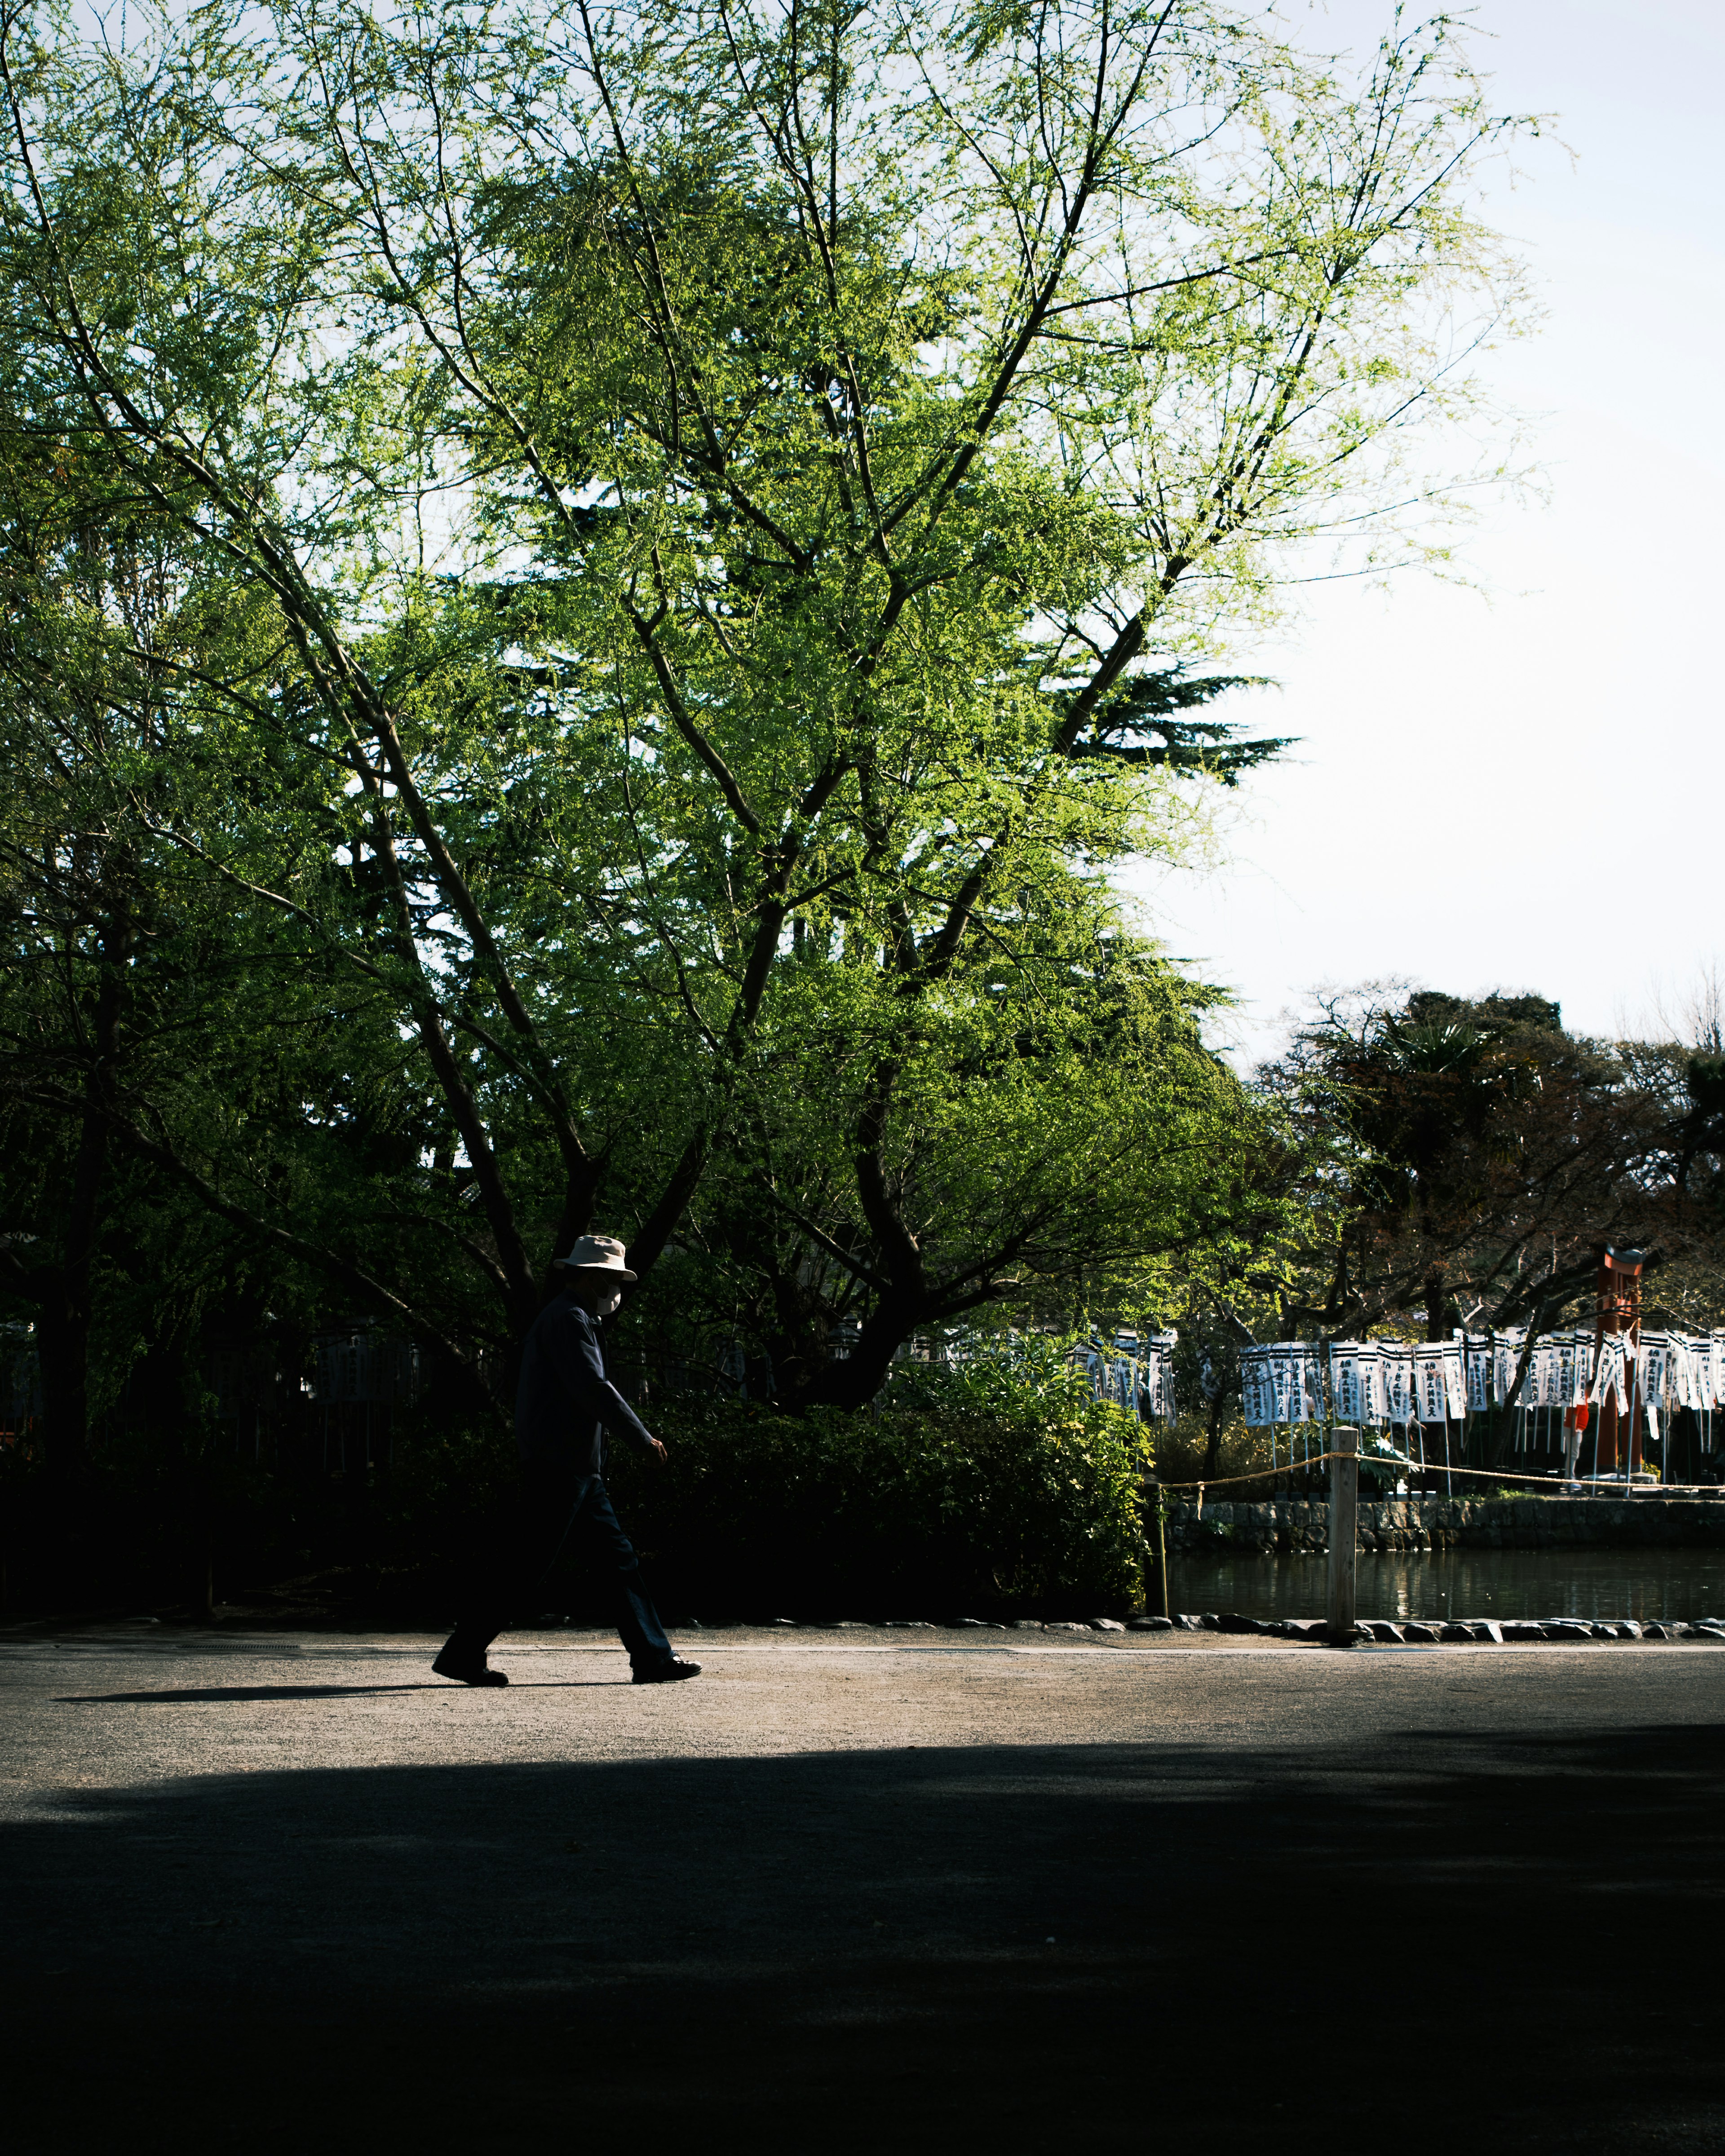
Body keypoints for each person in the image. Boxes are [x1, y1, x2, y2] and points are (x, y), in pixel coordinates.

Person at [433, 1234, 700, 1688]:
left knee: (615, 1563)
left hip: (573, 1465)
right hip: (563, 1465)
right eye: (612, 1278)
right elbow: (594, 1389)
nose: (617, 1287)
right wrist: (641, 1439)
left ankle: (653, 1656)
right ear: (592, 1276)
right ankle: (463, 1651)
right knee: (532, 1564)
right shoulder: (570, 1320)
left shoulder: (569, 1318)